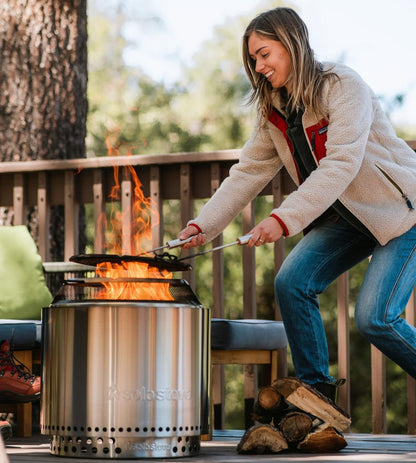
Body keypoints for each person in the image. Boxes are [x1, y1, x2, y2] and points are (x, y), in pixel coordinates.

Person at [178, 7, 416, 402]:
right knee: (292, 282)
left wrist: (282, 220)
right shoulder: (274, 110)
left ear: (291, 44)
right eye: (253, 59)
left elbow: (341, 163)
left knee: (376, 319)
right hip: (348, 218)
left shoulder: (342, 85)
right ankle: (317, 398)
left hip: (401, 210)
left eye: (264, 54)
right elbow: (248, 173)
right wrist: (203, 225)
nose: (258, 66)